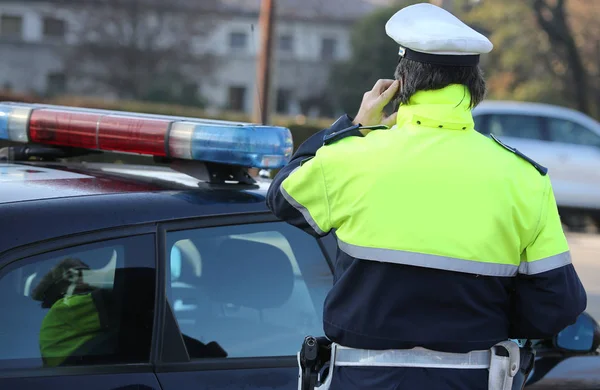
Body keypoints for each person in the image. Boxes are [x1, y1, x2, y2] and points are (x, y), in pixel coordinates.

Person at [266, 3, 587, 390]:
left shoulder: (352, 159)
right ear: (475, 87)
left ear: (402, 83)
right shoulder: (523, 178)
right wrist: (488, 321)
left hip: (361, 378)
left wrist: (356, 127)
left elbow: (283, 195)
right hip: (474, 379)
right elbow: (559, 304)